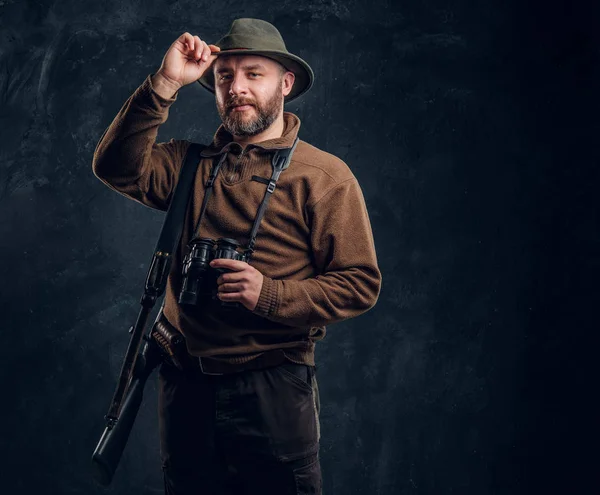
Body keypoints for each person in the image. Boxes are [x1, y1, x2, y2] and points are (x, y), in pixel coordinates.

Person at [92, 17, 381, 495]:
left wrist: (267, 294)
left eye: (253, 74)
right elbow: (114, 167)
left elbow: (360, 282)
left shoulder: (325, 176)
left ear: (285, 84)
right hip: (185, 383)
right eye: (225, 76)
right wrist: (164, 84)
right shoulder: (188, 164)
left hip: (273, 387)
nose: (237, 88)